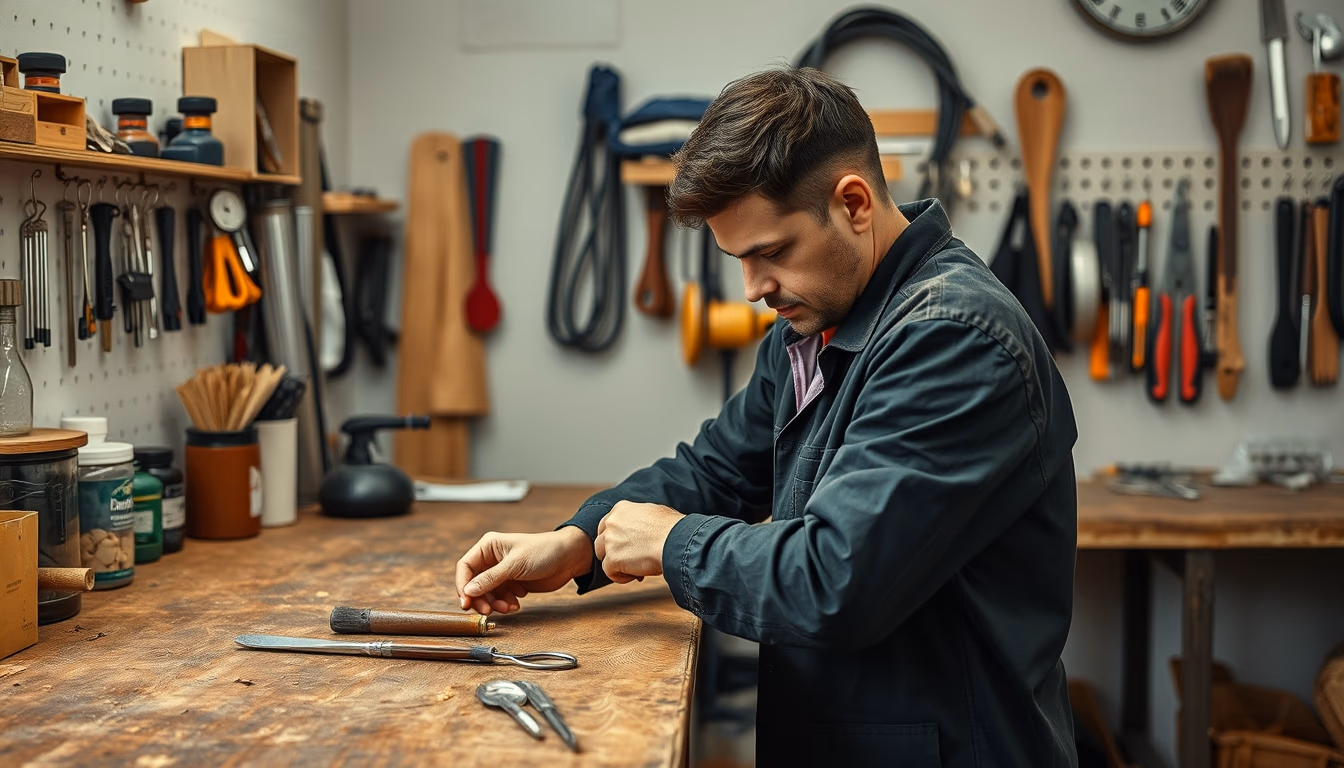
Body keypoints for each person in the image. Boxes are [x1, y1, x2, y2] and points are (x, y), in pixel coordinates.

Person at [454, 67, 1079, 767]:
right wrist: (576, 540)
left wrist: (674, 544)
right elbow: (717, 467)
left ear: (854, 203)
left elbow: (835, 582)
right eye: (738, 260)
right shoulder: (815, 326)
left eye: (770, 253)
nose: (753, 289)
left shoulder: (956, 338)